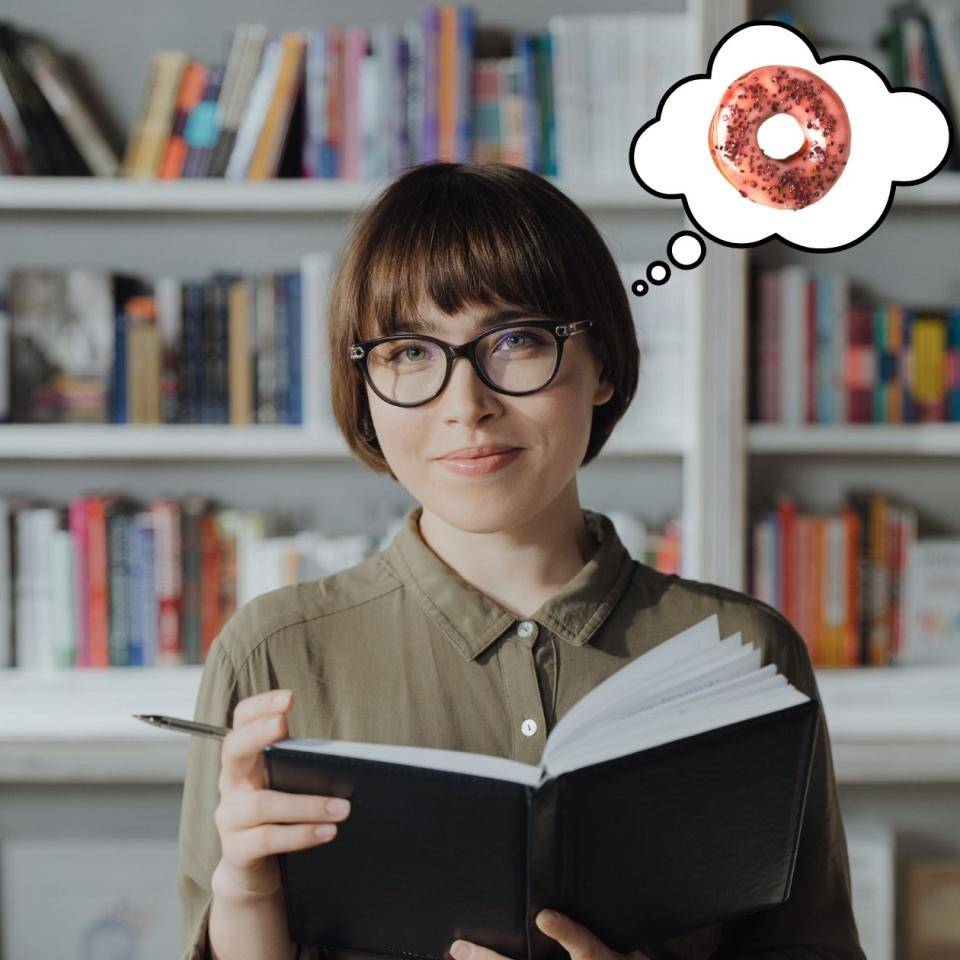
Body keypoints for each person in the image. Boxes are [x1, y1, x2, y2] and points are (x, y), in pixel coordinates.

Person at [177, 161, 865, 960]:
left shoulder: (746, 652)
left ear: (602, 364)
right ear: (361, 384)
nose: (466, 405)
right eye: (408, 352)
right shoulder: (272, 654)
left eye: (516, 341)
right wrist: (244, 894)